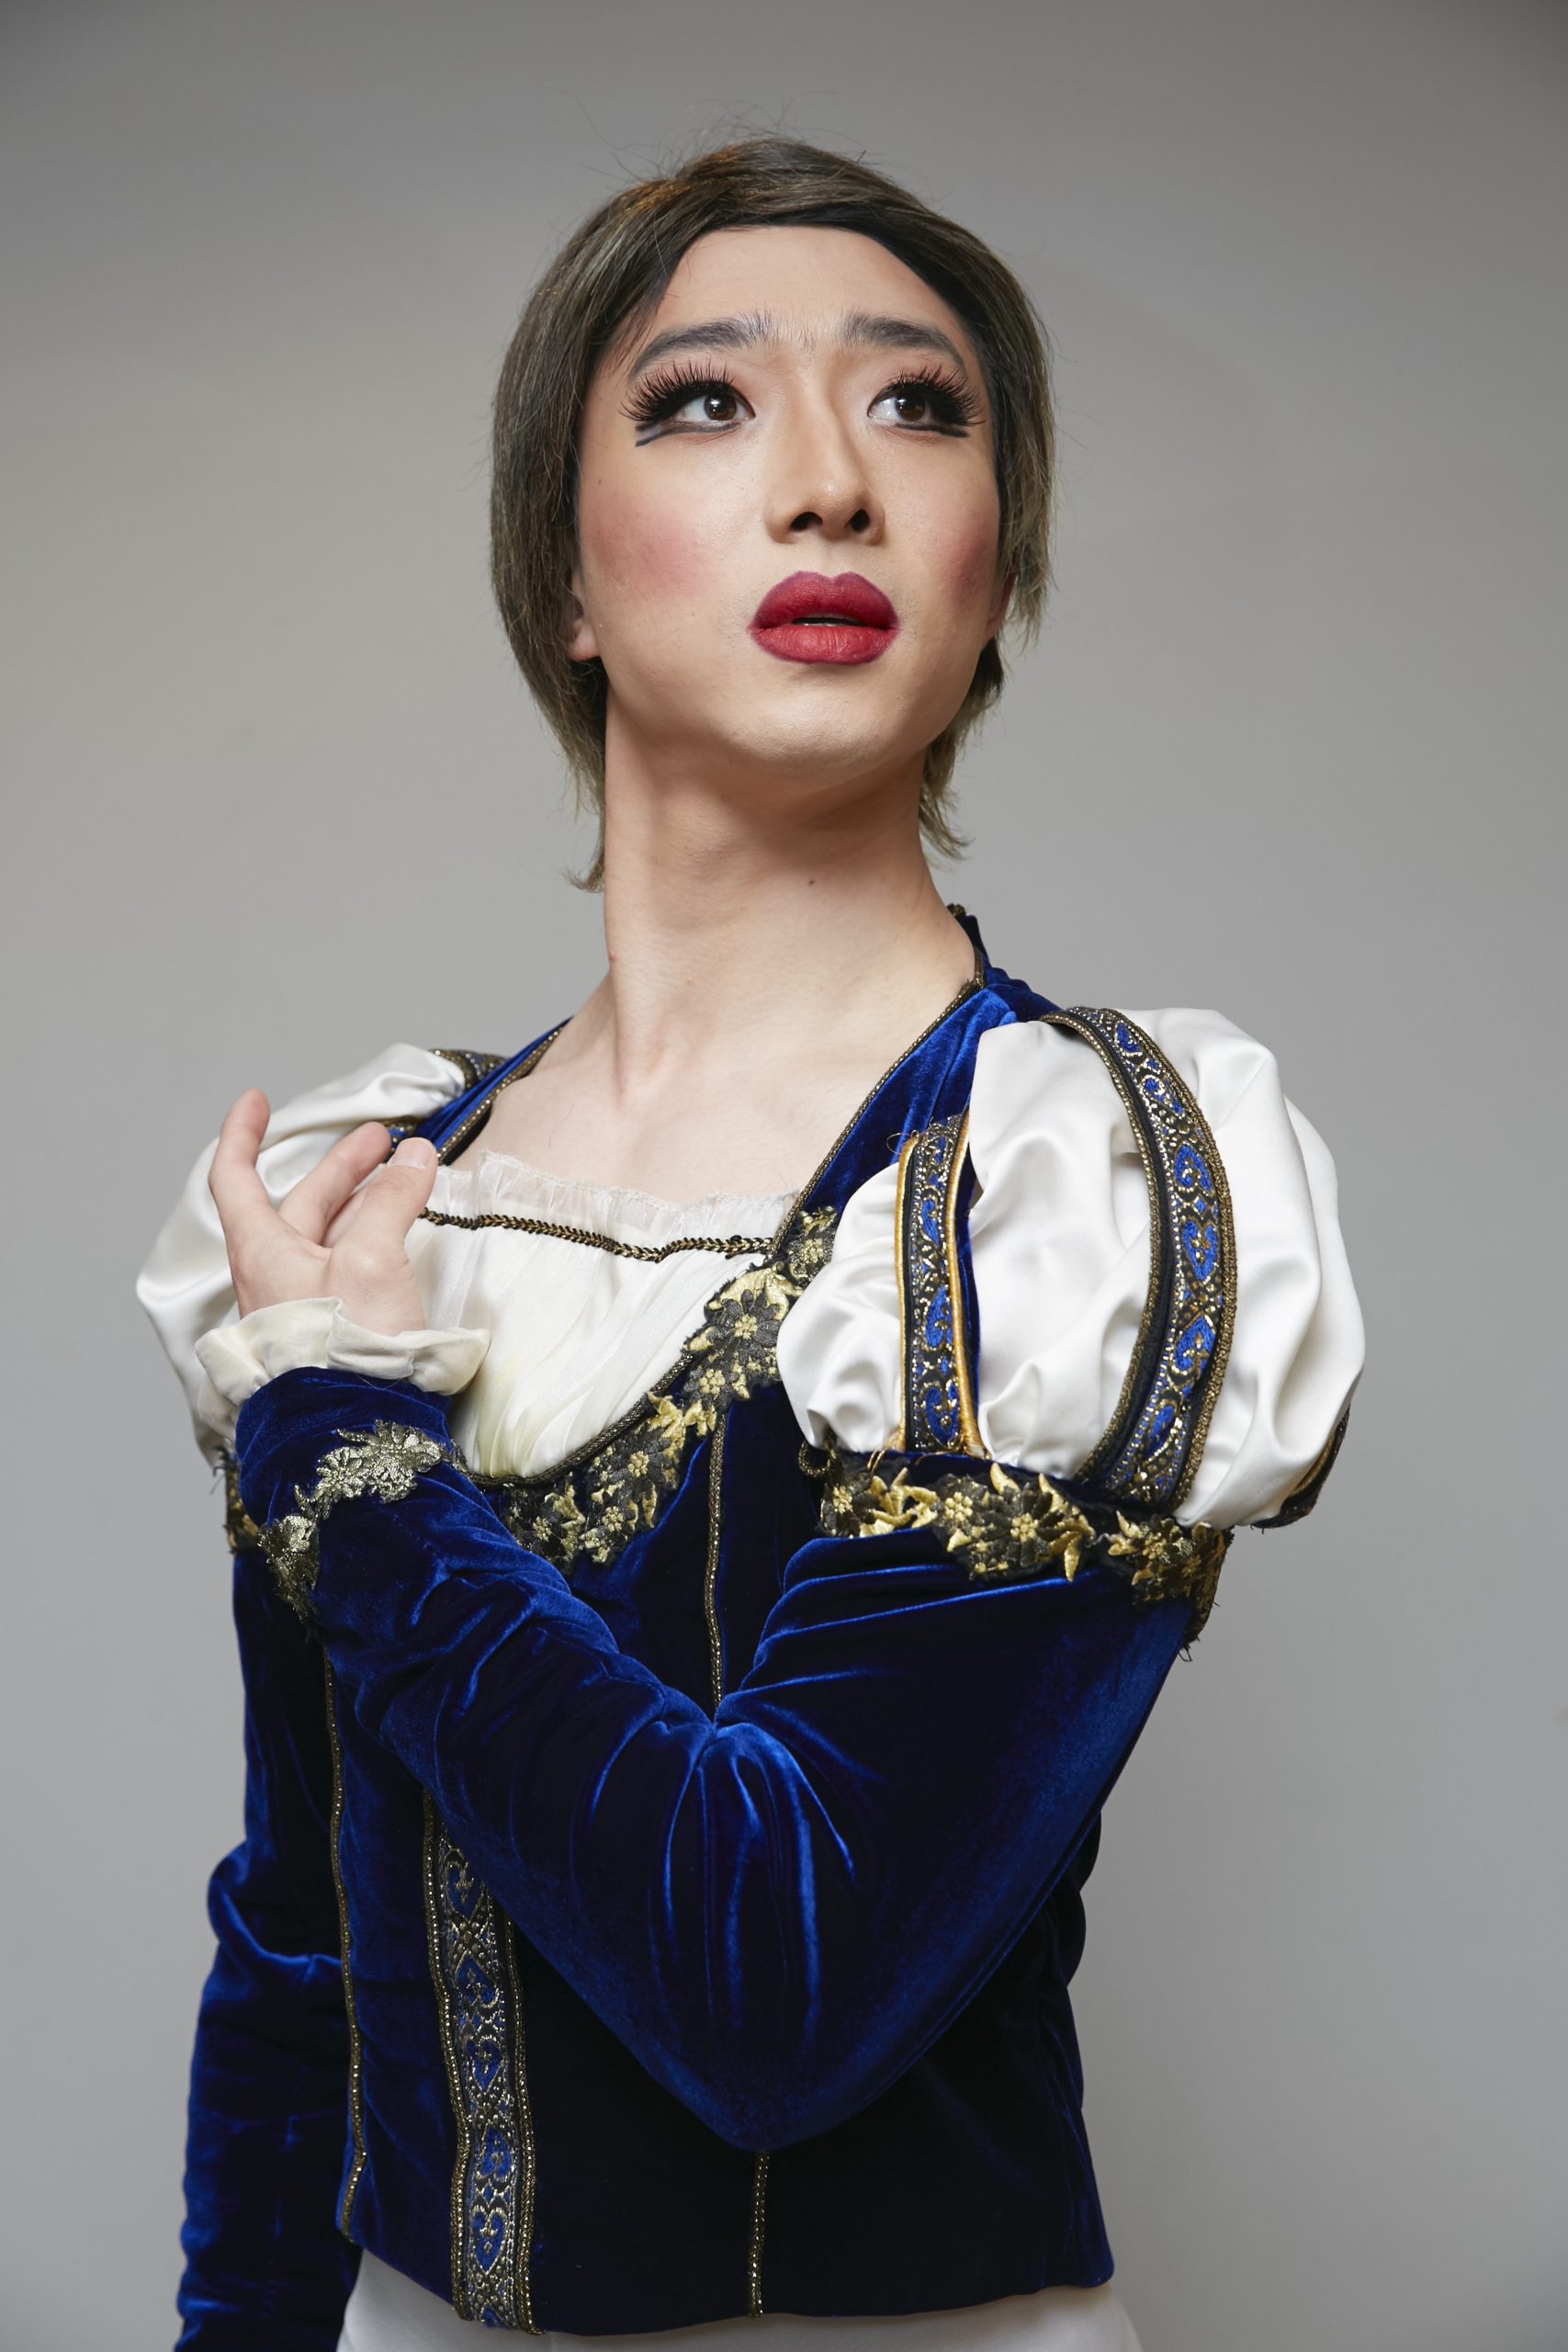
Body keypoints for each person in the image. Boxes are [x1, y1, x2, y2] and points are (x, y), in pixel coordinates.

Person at [138, 134, 1364, 2352]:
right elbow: (304, 1952)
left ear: (998, 570)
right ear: (567, 578)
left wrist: (348, 1445)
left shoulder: (1059, 1183)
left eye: (918, 405)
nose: (827, 482)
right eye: (703, 402)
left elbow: (777, 1988)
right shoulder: (365, 1191)